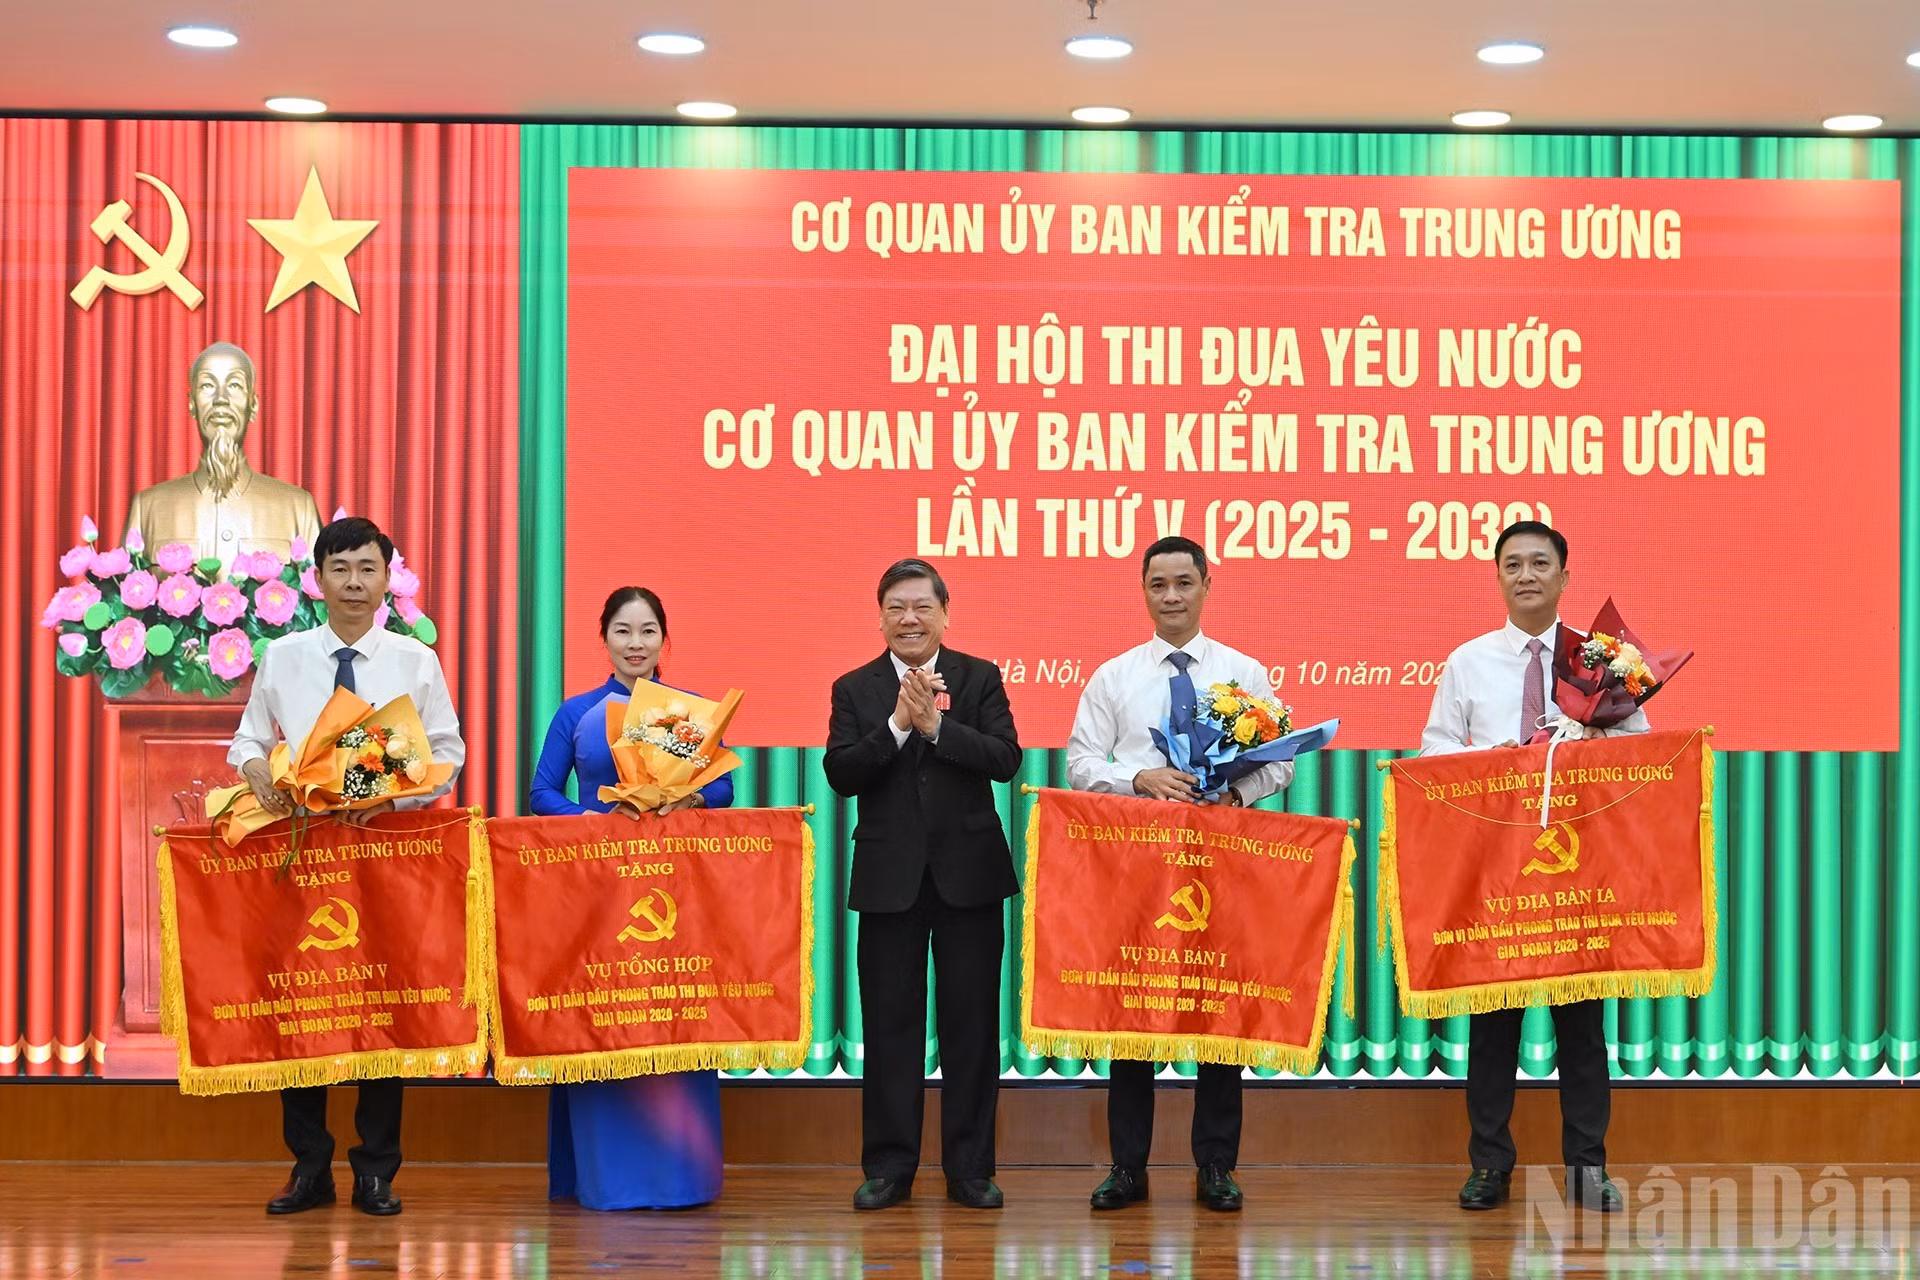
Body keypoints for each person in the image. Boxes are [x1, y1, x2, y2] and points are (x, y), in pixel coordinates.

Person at [229, 516, 464, 1218]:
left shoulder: (415, 661)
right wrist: (255, 772)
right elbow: (245, 738)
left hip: (384, 853)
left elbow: (446, 754)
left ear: (387, 578)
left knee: (379, 1007)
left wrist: (389, 793)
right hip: (300, 854)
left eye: (368, 568)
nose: (354, 582)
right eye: (341, 568)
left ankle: (376, 1171)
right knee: (300, 1006)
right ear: (318, 578)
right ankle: (308, 1168)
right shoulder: (284, 655)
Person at [1418, 520, 1646, 1214]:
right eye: (1512, 564)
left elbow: (1634, 751)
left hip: (1576, 869)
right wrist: (1499, 770)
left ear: (1564, 577)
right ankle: (1490, 1165)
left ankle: (1587, 1168)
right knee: (1494, 1026)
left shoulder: (1600, 661)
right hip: (1495, 869)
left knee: (1582, 1027)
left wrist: (1588, 738)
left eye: (1539, 563)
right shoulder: (1468, 661)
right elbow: (1433, 753)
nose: (1526, 575)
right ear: (1498, 578)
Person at [1065, 536, 1293, 1213]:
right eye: (1158, 585)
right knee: (1131, 1007)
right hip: (1134, 861)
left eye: (1183, 583)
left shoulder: (1245, 673)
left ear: (1206, 586)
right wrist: (1138, 776)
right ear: (1144, 591)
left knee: (1217, 1008)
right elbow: (1079, 763)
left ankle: (1216, 1166)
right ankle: (1127, 1167)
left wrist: (1235, 796)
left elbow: (1280, 763)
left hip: (1221, 859)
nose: (1171, 596)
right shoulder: (1114, 676)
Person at [527, 586, 733, 1210]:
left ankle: (681, 1175)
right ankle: (602, 1173)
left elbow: (720, 793)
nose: (636, 644)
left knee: (673, 1010)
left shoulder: (689, 712)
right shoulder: (577, 713)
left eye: (647, 632)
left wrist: (690, 799)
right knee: (601, 1015)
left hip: (670, 885)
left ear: (664, 640)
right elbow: (542, 794)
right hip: (594, 888)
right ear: (604, 638)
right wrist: (597, 826)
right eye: (623, 631)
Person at [824, 559, 1021, 1211]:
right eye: (896, 607)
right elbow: (842, 774)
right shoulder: (853, 688)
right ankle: (889, 1166)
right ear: (879, 617)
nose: (910, 618)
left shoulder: (979, 677)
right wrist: (898, 727)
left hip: (970, 876)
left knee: (971, 1026)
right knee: (889, 1027)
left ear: (944, 614)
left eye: (922, 607)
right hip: (889, 881)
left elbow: (1004, 758)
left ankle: (970, 1169)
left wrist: (939, 729)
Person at [123, 341, 323, 564]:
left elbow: (322, 593)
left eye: (235, 385)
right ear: (191, 404)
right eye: (207, 385)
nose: (221, 399)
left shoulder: (298, 508)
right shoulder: (148, 507)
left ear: (253, 404)